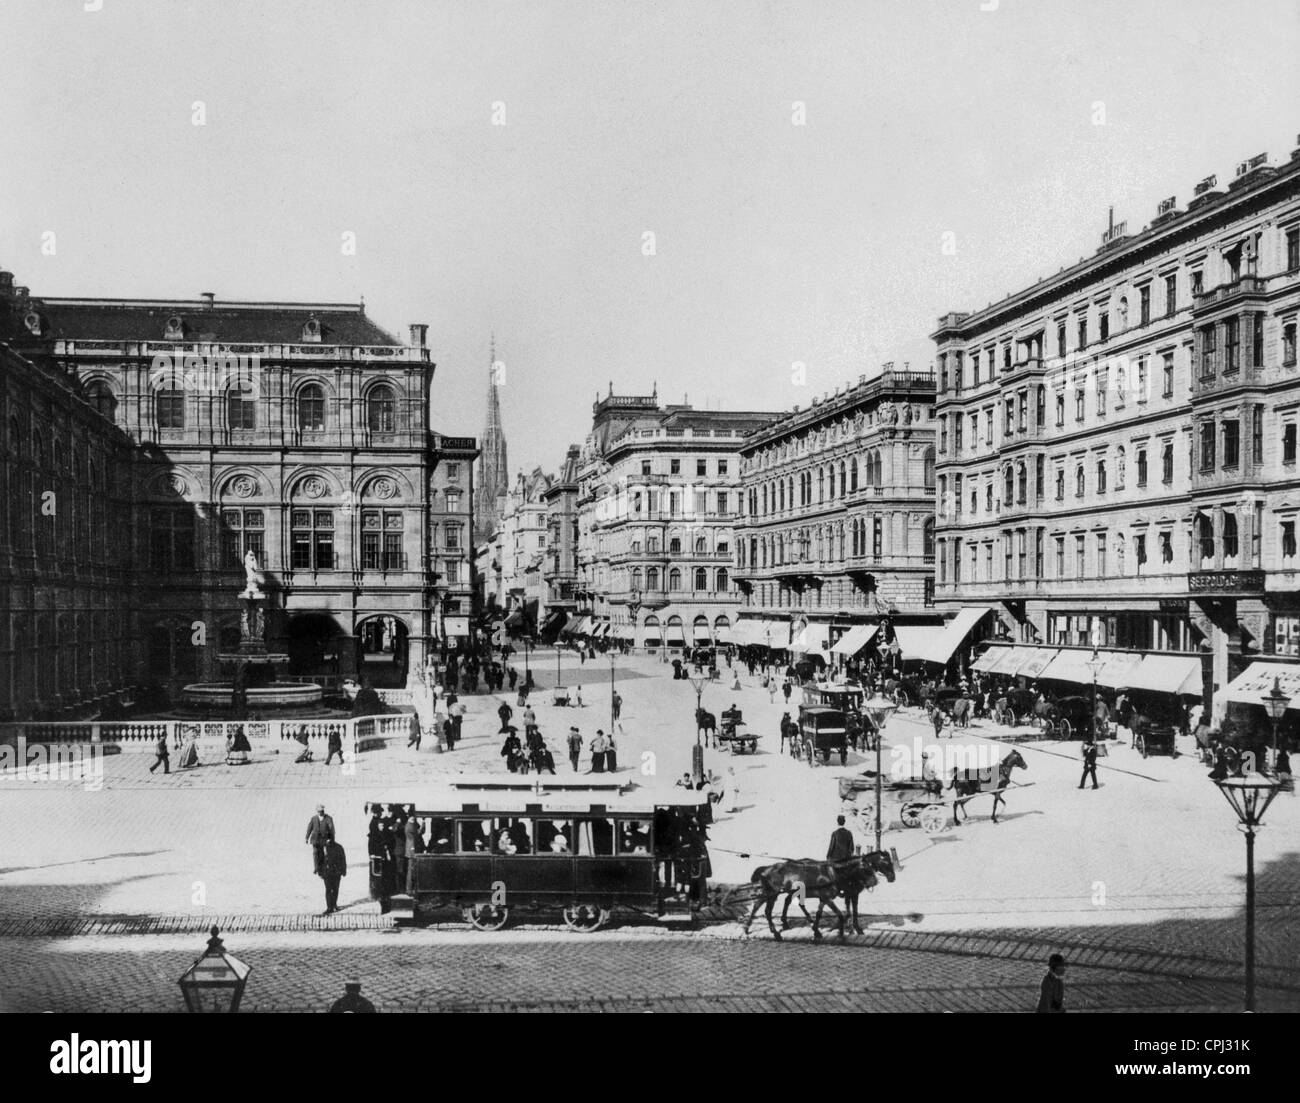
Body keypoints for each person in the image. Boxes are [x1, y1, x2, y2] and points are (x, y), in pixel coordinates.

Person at [306, 804, 335, 875]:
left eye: (322, 811)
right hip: (315, 839)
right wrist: (307, 837)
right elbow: (309, 828)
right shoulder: (314, 818)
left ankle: (321, 867)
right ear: (317, 812)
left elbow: (332, 830)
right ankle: (316, 868)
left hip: (324, 839)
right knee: (315, 853)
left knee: (322, 854)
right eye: (319, 811)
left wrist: (332, 839)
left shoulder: (328, 818)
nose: (320, 813)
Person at [321, 837, 347, 915]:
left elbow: (343, 859)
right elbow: (320, 860)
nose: (328, 840)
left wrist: (343, 870)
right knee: (329, 889)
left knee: (334, 889)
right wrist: (320, 871)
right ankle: (330, 907)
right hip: (328, 872)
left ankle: (333, 905)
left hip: (336, 872)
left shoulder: (338, 847)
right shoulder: (323, 847)